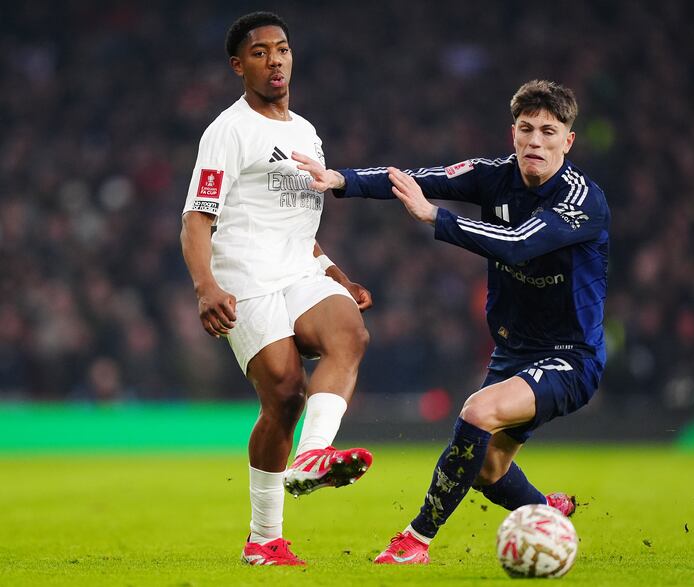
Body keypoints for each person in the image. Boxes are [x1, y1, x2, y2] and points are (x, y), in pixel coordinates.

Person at [294, 79, 609, 564]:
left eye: (549, 131)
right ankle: (543, 511)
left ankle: (415, 540)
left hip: (570, 357)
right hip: (513, 351)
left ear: (568, 141)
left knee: (476, 412)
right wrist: (340, 180)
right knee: (487, 469)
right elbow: (415, 178)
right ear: (513, 134)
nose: (536, 141)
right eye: (527, 129)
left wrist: (435, 218)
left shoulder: (582, 199)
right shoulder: (491, 175)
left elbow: (519, 243)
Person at [180, 11, 373, 567]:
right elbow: (197, 218)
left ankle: (313, 457)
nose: (275, 60)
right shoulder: (227, 131)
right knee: (286, 395)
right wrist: (205, 286)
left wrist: (335, 272)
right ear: (239, 66)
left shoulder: (306, 132)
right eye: (260, 52)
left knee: (350, 334)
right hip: (245, 278)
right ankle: (263, 539)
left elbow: (295, 220)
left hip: (299, 271)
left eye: (282, 49)